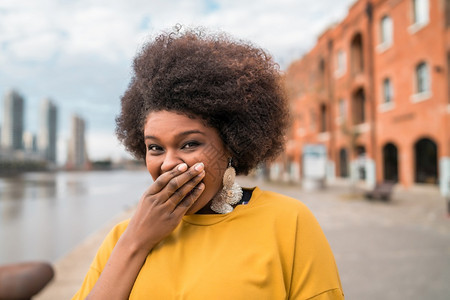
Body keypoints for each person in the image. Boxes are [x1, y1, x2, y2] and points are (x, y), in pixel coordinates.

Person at [73, 26, 344, 299]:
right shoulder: (123, 237)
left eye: (190, 143)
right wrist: (135, 243)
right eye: (155, 147)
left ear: (231, 143)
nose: (169, 163)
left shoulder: (289, 222)